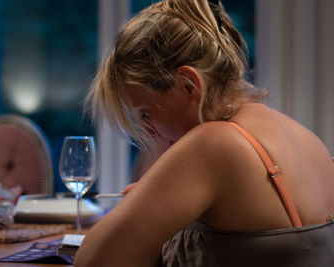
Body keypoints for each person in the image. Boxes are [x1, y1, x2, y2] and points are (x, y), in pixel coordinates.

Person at [74, 0, 334, 266]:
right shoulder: (305, 137)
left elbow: (93, 260)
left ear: (189, 85)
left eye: (146, 113)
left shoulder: (214, 142)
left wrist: (144, 202)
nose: (150, 132)